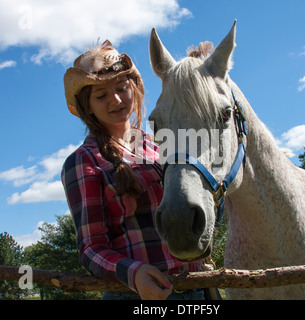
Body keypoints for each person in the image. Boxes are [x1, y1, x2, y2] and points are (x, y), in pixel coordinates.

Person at [61, 40, 204, 300]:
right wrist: (134, 273)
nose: (115, 100)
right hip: (136, 295)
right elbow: (91, 248)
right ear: (88, 106)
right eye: (101, 95)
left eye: (122, 88)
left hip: (194, 289)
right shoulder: (83, 161)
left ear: (134, 88)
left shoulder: (160, 145)